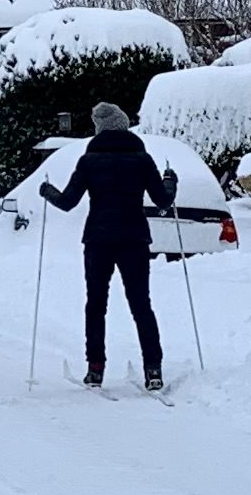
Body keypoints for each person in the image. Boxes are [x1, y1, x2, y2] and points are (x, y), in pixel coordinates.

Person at [39, 101, 178, 390]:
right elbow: (163, 201)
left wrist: (47, 191)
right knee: (141, 305)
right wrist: (169, 181)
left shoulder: (89, 160)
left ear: (99, 129)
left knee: (96, 305)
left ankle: (95, 369)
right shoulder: (142, 158)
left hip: (98, 240)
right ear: (124, 125)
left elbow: (67, 202)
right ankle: (153, 370)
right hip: (134, 238)